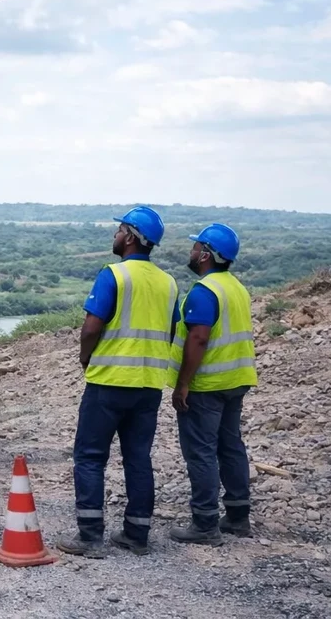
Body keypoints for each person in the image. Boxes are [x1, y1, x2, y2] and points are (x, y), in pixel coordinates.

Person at [57, 206, 180, 558]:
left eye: (119, 230)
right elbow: (171, 331)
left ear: (130, 237)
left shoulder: (114, 275)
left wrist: (86, 358)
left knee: (90, 457)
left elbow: (91, 328)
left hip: (109, 382)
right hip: (149, 386)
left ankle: (90, 537)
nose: (115, 235)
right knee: (138, 458)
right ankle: (136, 535)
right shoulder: (169, 283)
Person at [169, 223, 257, 545]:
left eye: (196, 247)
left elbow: (199, 338)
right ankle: (238, 516)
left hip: (207, 385)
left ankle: (205, 524)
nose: (191, 251)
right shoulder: (236, 287)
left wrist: (183, 384)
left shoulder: (204, 291)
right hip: (236, 380)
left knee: (201, 452)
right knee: (230, 446)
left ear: (206, 255)